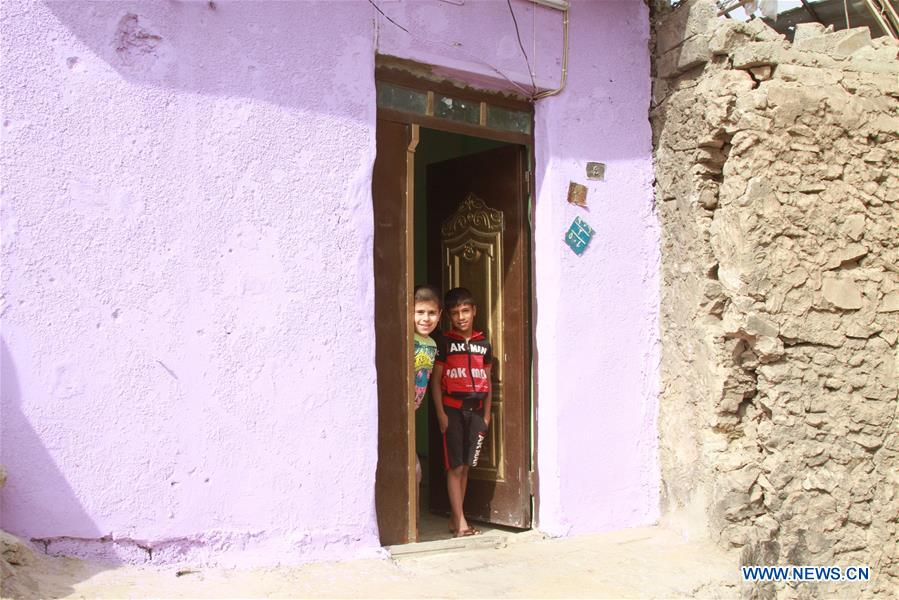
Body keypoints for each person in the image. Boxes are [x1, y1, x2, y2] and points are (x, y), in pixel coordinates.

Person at [431, 287, 492, 537]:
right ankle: (462, 525)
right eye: (455, 313)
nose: (461, 317)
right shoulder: (445, 343)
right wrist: (441, 414)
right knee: (454, 468)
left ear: (474, 311)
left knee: (466, 467)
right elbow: (435, 382)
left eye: (465, 311)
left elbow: (488, 380)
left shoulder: (484, 343)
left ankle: (456, 521)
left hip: (476, 413)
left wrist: (486, 416)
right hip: (452, 410)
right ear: (449, 316)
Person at [412, 285, 442, 489]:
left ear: (439, 315)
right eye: (420, 312)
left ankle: (413, 522)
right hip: (399, 412)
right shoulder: (406, 339)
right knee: (414, 471)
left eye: (431, 313)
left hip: (412, 412)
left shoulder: (431, 343)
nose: (426, 319)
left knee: (416, 474)